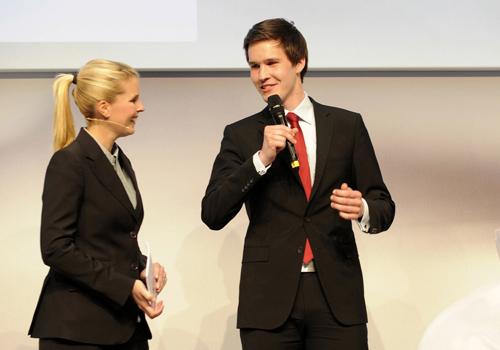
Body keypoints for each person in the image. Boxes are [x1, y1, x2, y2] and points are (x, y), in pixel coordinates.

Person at [202, 18, 395, 350]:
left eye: (271, 63)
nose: (262, 75)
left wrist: (361, 207)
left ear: (299, 61)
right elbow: (213, 213)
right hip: (267, 301)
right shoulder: (241, 134)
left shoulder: (347, 125)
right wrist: (260, 159)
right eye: (254, 66)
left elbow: (383, 207)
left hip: (337, 297)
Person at [28, 59, 167, 350]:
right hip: (78, 331)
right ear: (104, 108)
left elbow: (107, 241)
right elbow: (55, 248)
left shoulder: (119, 160)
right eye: (133, 99)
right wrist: (125, 285)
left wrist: (144, 268)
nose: (141, 107)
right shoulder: (70, 161)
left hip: (124, 327)